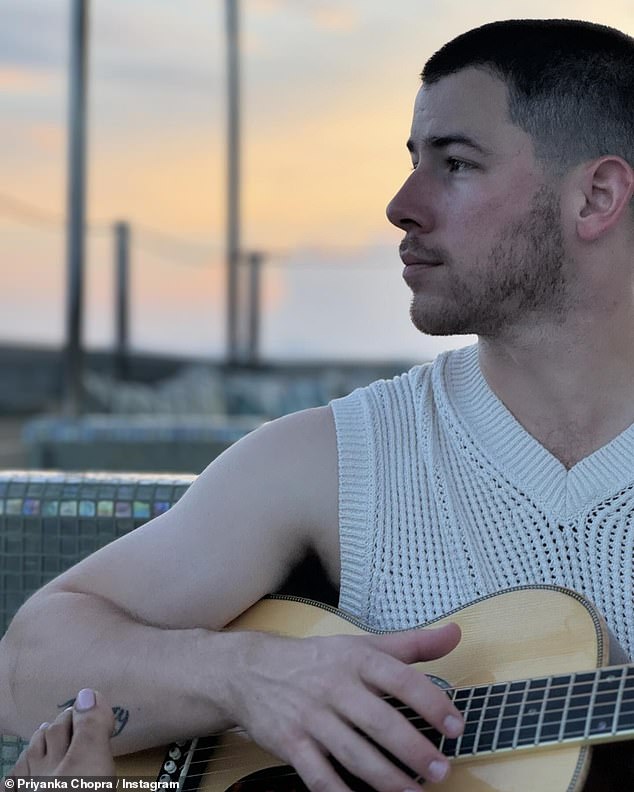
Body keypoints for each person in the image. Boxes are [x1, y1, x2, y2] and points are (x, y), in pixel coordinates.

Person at [1, 16, 633, 791]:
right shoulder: (339, 458)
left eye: (456, 164)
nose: (402, 205)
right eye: (412, 163)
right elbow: (28, 663)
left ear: (597, 196)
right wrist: (248, 674)